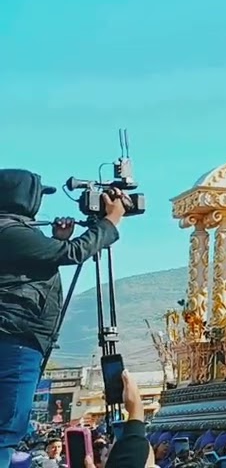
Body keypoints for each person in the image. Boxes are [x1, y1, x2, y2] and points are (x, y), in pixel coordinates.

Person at [0, 169, 124, 468]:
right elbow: (73, 252)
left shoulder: (12, 232)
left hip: (14, 338)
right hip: (16, 340)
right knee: (5, 431)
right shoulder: (9, 231)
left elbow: (37, 263)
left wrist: (55, 241)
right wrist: (110, 221)